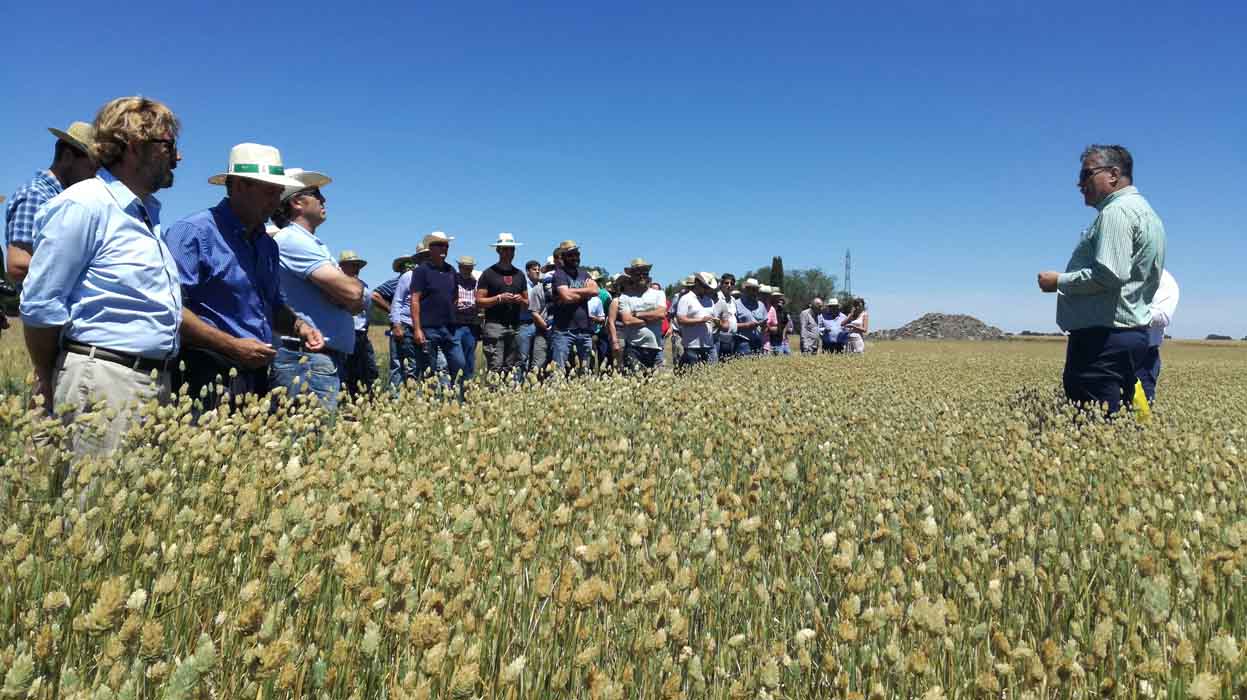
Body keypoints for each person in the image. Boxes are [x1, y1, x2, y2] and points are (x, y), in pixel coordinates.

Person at [20, 97, 183, 456]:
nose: (178, 157)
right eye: (169, 145)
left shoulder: (142, 214)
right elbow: (41, 303)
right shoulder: (86, 204)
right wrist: (46, 377)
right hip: (107, 380)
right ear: (135, 146)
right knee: (95, 502)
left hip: (149, 381)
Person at [166, 143, 321, 411]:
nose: (276, 201)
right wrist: (233, 345)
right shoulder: (193, 233)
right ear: (238, 186)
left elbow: (272, 306)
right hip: (205, 372)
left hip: (257, 374)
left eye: (279, 192)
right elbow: (171, 310)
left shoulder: (267, 245)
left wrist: (299, 326)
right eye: (269, 191)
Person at [1037, 144, 1165, 414]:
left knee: (1093, 424)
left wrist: (1058, 281)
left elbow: (1110, 274)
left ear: (1113, 175)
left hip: (1102, 340)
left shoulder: (1116, 213)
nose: (1079, 183)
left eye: (1086, 175)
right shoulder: (1146, 212)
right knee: (1126, 420)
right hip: (1131, 335)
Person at [270, 169, 365, 411]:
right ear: (297, 202)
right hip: (306, 361)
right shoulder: (293, 240)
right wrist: (346, 295)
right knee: (311, 438)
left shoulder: (308, 242)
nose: (324, 200)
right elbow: (354, 294)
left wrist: (346, 294)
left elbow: (354, 297)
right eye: (317, 194)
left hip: (316, 358)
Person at [6, 122, 99, 283]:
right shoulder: (37, 195)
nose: (94, 176)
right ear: (68, 157)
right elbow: (18, 265)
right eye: (91, 167)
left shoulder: (62, 198)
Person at [411, 232, 468, 390]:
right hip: (428, 328)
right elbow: (415, 299)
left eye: (446, 246)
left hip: (450, 327)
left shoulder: (451, 270)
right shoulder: (421, 271)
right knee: (429, 370)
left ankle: (457, 401)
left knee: (459, 364)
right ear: (431, 248)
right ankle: (430, 405)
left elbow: (455, 296)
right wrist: (417, 329)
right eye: (440, 245)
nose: (444, 249)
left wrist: (451, 310)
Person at [476, 233, 530, 378]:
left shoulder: (519, 275)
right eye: (505, 249)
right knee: (495, 366)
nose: (508, 252)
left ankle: (506, 397)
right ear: (498, 250)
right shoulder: (488, 274)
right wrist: (499, 298)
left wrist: (520, 300)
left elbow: (527, 303)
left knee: (511, 367)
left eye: (511, 249)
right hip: (494, 325)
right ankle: (493, 396)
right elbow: (479, 301)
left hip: (515, 325)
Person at [549, 240, 599, 374]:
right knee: (559, 370)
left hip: (584, 329)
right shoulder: (559, 274)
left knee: (585, 370)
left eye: (577, 254)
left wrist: (572, 292)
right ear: (563, 257)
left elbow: (595, 291)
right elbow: (565, 296)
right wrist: (585, 292)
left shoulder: (584, 273)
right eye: (571, 255)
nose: (575, 258)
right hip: (563, 330)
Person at [338, 251, 379, 398]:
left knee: (367, 368)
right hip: (344, 333)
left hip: (361, 334)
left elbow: (367, 311)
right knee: (347, 369)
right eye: (353, 265)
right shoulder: (335, 286)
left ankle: (365, 398)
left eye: (358, 266)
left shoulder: (364, 287)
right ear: (342, 266)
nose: (356, 269)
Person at [1138, 269, 1179, 402]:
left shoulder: (1164, 280)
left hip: (1143, 358)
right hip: (1109, 351)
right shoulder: (1118, 271)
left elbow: (1163, 316)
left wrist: (1129, 312)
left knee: (1141, 411)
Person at [372, 254, 410, 388]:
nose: (410, 267)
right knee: (398, 362)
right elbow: (375, 295)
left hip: (413, 325)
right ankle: (396, 395)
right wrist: (392, 309)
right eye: (406, 265)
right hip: (398, 326)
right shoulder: (396, 282)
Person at [616, 273, 665, 371]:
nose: (641, 276)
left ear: (648, 276)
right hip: (634, 348)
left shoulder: (659, 294)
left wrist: (638, 314)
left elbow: (661, 314)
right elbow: (627, 320)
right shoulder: (625, 297)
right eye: (637, 273)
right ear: (632, 276)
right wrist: (651, 319)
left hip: (655, 348)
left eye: (644, 273)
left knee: (657, 384)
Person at [676, 272, 726, 367]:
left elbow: (714, 318)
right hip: (692, 346)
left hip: (709, 344)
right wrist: (700, 320)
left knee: (712, 373)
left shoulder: (709, 300)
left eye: (708, 288)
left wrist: (718, 323)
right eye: (705, 287)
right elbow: (680, 320)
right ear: (697, 283)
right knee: (693, 374)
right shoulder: (686, 299)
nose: (707, 290)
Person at [453, 255, 481, 381]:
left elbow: (478, 301)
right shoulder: (453, 280)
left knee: (469, 360)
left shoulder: (475, 283)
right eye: (465, 268)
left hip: (471, 325)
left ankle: (467, 391)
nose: (467, 270)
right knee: (457, 359)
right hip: (455, 325)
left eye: (469, 268)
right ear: (459, 267)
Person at [517, 258, 542, 375]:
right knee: (522, 358)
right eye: (534, 269)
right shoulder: (523, 286)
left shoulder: (542, 286)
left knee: (536, 358)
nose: (537, 271)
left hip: (539, 325)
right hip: (525, 324)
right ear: (527, 271)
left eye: (539, 269)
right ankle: (518, 385)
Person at [733, 278, 767, 355]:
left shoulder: (761, 305)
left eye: (756, 289)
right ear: (746, 289)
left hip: (758, 342)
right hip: (742, 342)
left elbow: (765, 325)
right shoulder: (736, 304)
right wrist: (747, 325)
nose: (754, 292)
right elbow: (731, 325)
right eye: (752, 289)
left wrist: (763, 326)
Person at [716, 274, 739, 360]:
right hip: (719, 339)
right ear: (721, 284)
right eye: (726, 283)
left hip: (731, 338)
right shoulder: (717, 298)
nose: (729, 285)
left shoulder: (733, 300)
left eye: (732, 283)